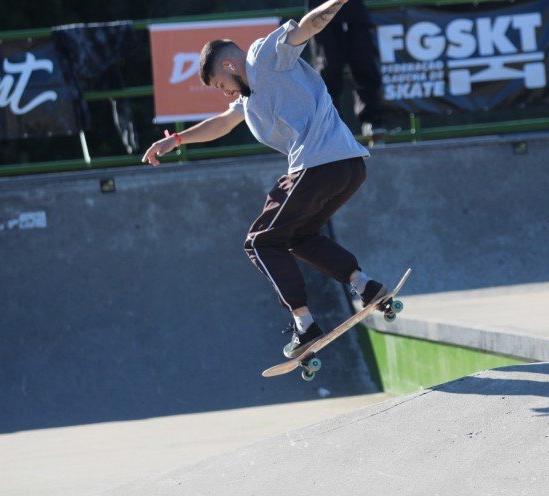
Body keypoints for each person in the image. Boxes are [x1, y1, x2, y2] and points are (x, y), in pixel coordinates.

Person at [142, 0, 388, 359]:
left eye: (221, 84)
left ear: (229, 65)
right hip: (349, 167)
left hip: (317, 165)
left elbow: (309, 26)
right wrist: (176, 139)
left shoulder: (263, 57)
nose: (224, 92)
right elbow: (222, 122)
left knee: (259, 242)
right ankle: (364, 285)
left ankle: (305, 325)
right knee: (298, 237)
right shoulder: (249, 99)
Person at [306, 0, 386, 145]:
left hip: (354, 11)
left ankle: (372, 123)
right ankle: (331, 128)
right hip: (321, 12)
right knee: (327, 70)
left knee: (364, 64)